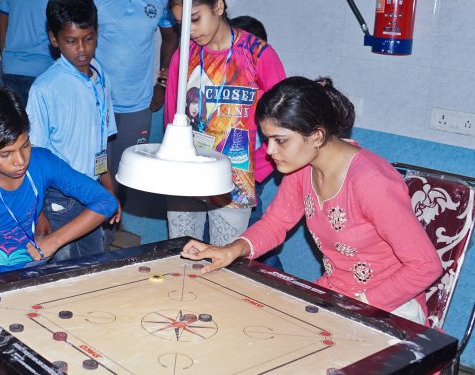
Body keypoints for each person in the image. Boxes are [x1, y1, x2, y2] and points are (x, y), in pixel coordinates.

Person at [181, 76, 442, 325]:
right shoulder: (303, 168)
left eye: (280, 141)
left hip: (389, 308)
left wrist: (360, 305)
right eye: (267, 139)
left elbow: (425, 266)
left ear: (317, 135)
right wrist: (232, 249)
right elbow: (275, 223)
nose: (270, 151)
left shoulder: (371, 181)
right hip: (335, 295)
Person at [0, 86, 118, 279]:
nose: (20, 161)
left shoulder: (41, 162)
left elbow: (106, 201)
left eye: (25, 145)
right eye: (5, 154)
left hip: (38, 274)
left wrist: (54, 241)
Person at [164, 0, 286, 247]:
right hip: (187, 175)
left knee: (223, 262)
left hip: (234, 181)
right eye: (181, 24)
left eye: (195, 19)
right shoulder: (183, 55)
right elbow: (171, 118)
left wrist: (260, 168)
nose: (189, 31)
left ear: (218, 6)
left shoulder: (258, 54)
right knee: (180, 256)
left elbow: (284, 122)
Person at [27, 0, 121, 260]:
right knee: (60, 268)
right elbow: (34, 157)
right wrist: (39, 212)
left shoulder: (101, 77)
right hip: (58, 196)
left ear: (97, 33)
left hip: (91, 192)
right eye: (71, 41)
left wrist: (107, 186)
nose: (82, 49)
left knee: (91, 263)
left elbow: (100, 143)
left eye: (88, 38)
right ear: (54, 40)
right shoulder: (45, 88)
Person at [94, 0, 178, 200]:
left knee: (125, 173)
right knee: (96, 169)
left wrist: (162, 83)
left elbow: (171, 36)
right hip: (99, 102)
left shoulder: (160, 3)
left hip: (138, 104)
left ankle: (113, 225)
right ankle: (95, 228)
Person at [229, 14, 283, 271]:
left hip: (248, 178)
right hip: (219, 174)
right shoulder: (224, 82)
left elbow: (279, 135)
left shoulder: (265, 93)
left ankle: (279, 285)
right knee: (222, 238)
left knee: (257, 242)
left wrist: (257, 171)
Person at [0, 0, 53, 106]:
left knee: (13, 120)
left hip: (11, 67)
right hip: (44, 68)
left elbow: (1, 20)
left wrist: (5, 57)